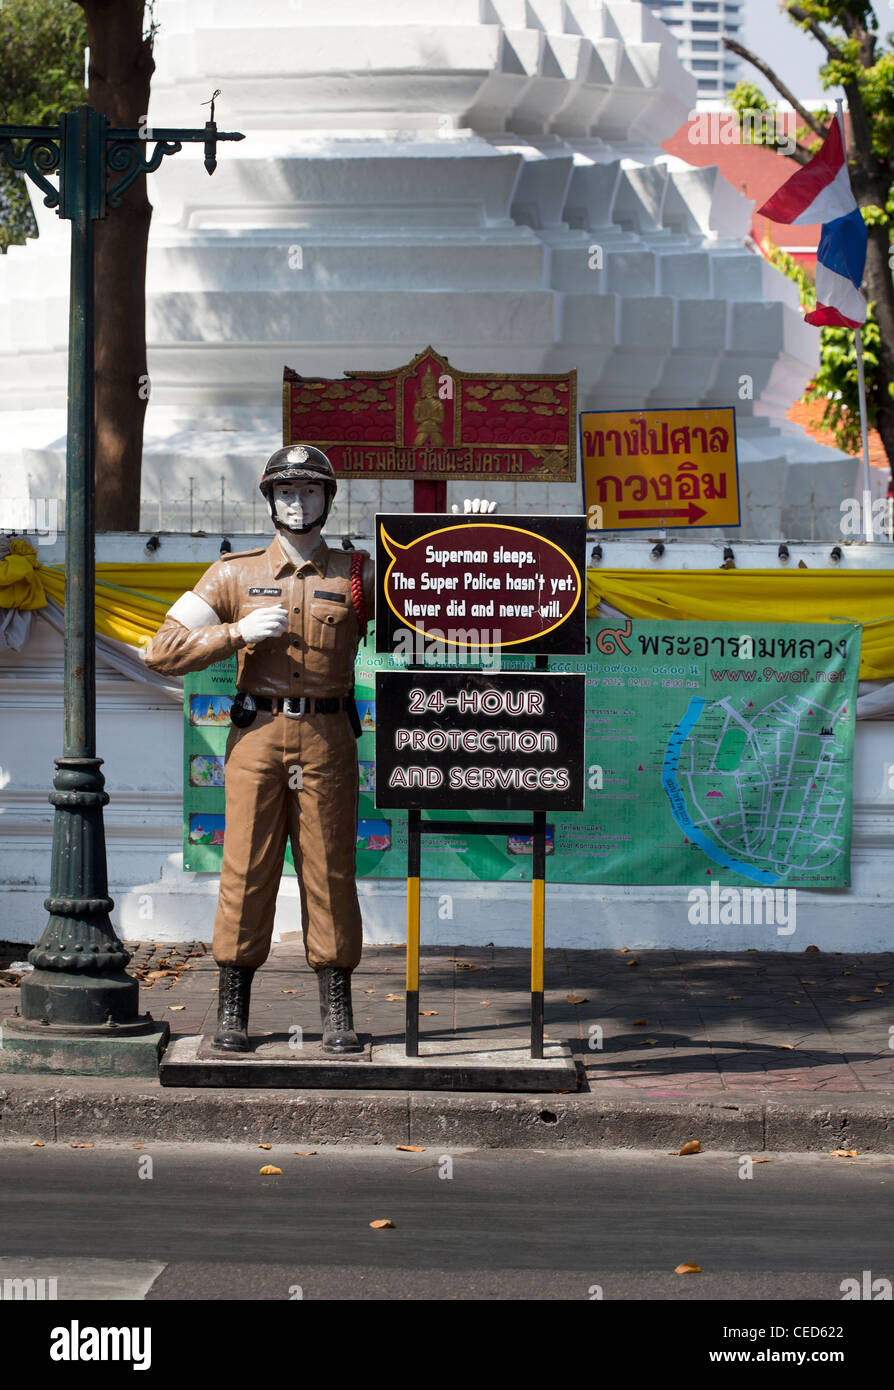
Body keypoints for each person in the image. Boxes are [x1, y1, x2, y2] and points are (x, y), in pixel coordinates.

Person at [143, 445, 494, 1055]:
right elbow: (162, 650)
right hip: (257, 736)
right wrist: (234, 633)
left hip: (329, 737)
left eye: (308, 492)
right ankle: (232, 1008)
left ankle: (337, 1010)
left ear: (327, 500)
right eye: (285, 492)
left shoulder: (356, 574)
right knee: (246, 866)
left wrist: (472, 540)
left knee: (330, 870)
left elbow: (434, 612)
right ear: (270, 500)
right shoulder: (232, 573)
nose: (296, 503)